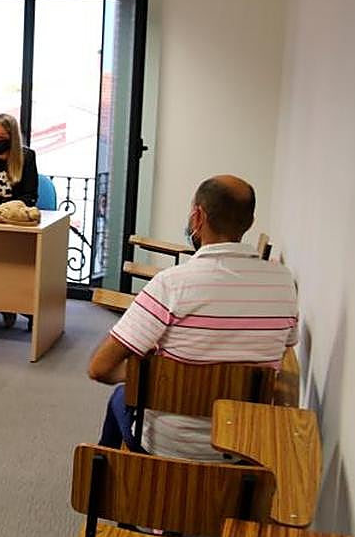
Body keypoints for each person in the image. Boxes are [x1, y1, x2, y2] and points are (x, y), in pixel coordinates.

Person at [88, 176, 299, 461]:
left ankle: (115, 490)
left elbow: (100, 368)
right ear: (249, 223)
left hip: (166, 448)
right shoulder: (283, 282)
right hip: (242, 448)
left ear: (197, 216)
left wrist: (152, 378)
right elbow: (285, 344)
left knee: (119, 398)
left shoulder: (171, 284)